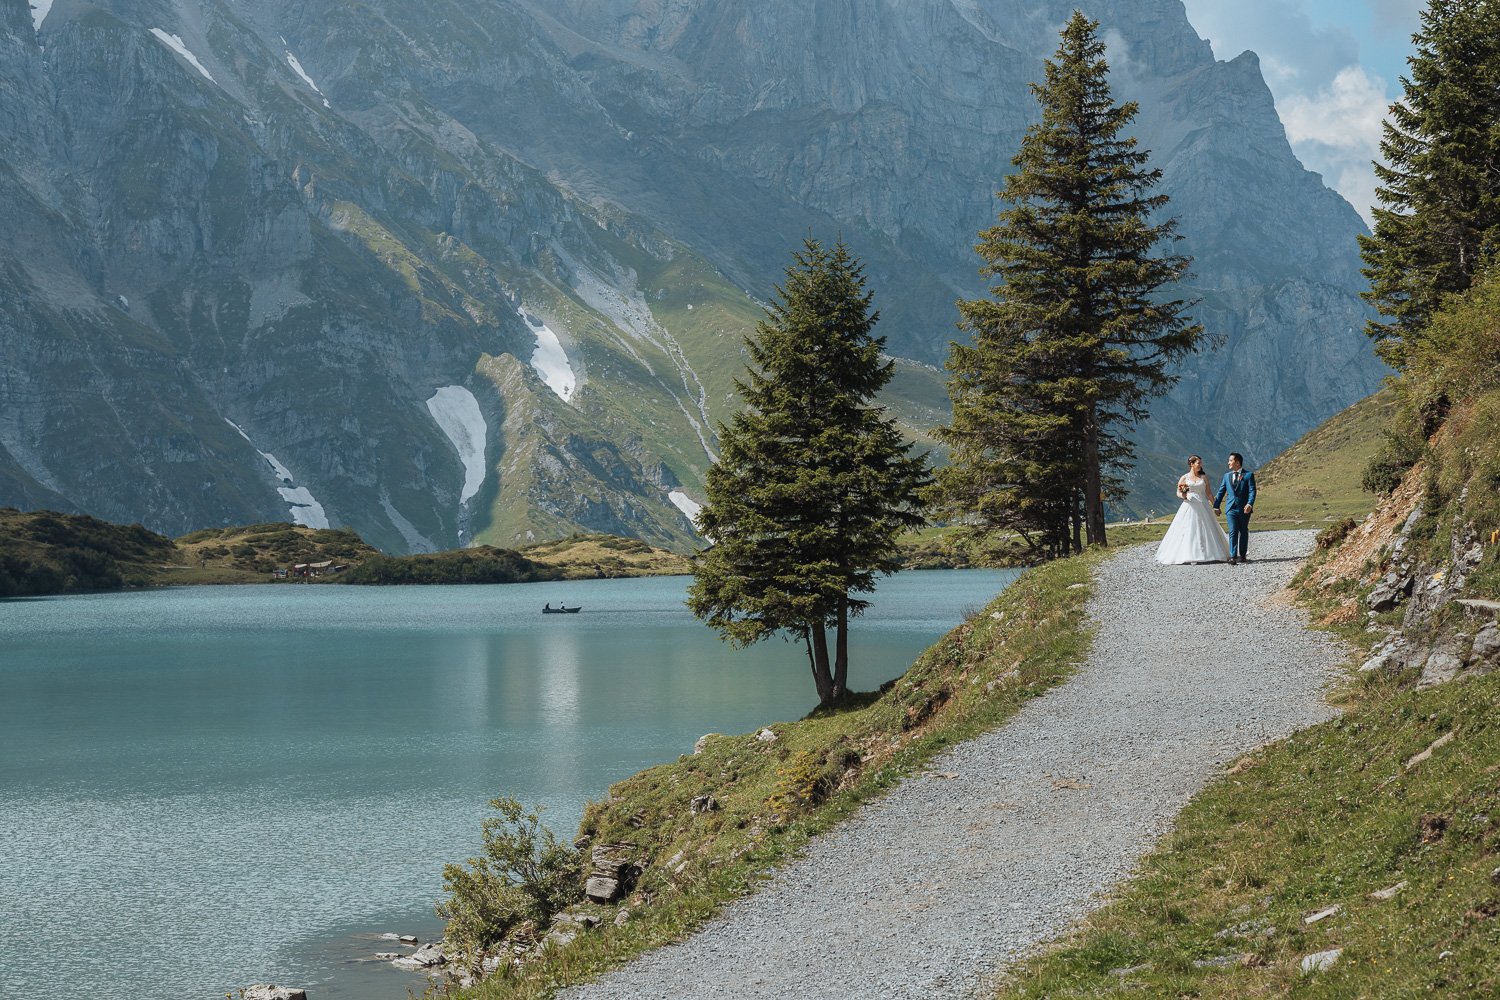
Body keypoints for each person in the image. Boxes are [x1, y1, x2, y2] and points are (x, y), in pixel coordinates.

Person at [1155, 455, 1231, 565]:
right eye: (1198, 463)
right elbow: (1178, 492)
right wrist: (1185, 496)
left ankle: (1210, 552)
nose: (1200, 465)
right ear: (1192, 464)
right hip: (1189, 505)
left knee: (1207, 527)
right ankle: (1189, 554)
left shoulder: (1203, 477)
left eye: (1200, 463)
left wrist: (1215, 506)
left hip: (1203, 504)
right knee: (1188, 528)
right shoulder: (1184, 478)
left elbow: (1208, 493)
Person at [1213, 452, 1257, 565]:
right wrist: (1216, 506)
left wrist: (1250, 504)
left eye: (1230, 460)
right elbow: (1221, 491)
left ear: (1237, 462)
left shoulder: (1248, 475)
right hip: (1230, 508)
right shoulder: (1226, 476)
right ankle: (1233, 556)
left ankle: (1242, 555)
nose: (1228, 462)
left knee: (1243, 531)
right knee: (1233, 531)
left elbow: (1252, 491)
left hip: (1244, 508)